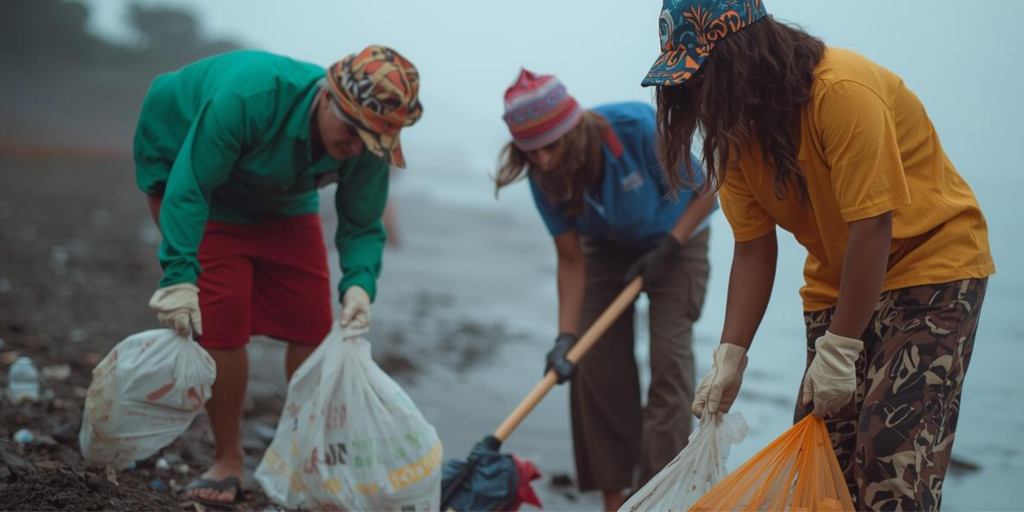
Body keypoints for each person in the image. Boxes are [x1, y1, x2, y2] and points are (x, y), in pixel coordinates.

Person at [643, 1, 995, 510]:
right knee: (826, 458)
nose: (697, 94)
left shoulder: (841, 92)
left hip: (932, 270)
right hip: (839, 279)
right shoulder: (737, 136)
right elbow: (753, 248)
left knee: (890, 459)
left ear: (744, 56)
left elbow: (873, 226)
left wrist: (842, 346)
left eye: (702, 76)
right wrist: (731, 356)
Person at [134, 46, 422, 506]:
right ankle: (227, 459)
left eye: (370, 141)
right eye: (352, 132)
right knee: (222, 312)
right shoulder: (251, 97)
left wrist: (360, 286)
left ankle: (307, 454)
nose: (356, 147)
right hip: (197, 176)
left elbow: (364, 223)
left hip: (284, 196)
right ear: (327, 97)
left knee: (310, 319)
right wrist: (179, 275)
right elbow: (191, 186)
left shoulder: (366, 142)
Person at [496, 69, 716, 511]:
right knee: (590, 361)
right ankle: (615, 499)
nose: (542, 160)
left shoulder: (634, 130)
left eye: (550, 146)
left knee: (669, 364)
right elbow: (571, 258)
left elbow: (708, 189)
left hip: (679, 235)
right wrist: (565, 337)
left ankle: (655, 495)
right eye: (530, 151)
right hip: (606, 249)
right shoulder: (543, 175)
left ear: (572, 128)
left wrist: (669, 246)